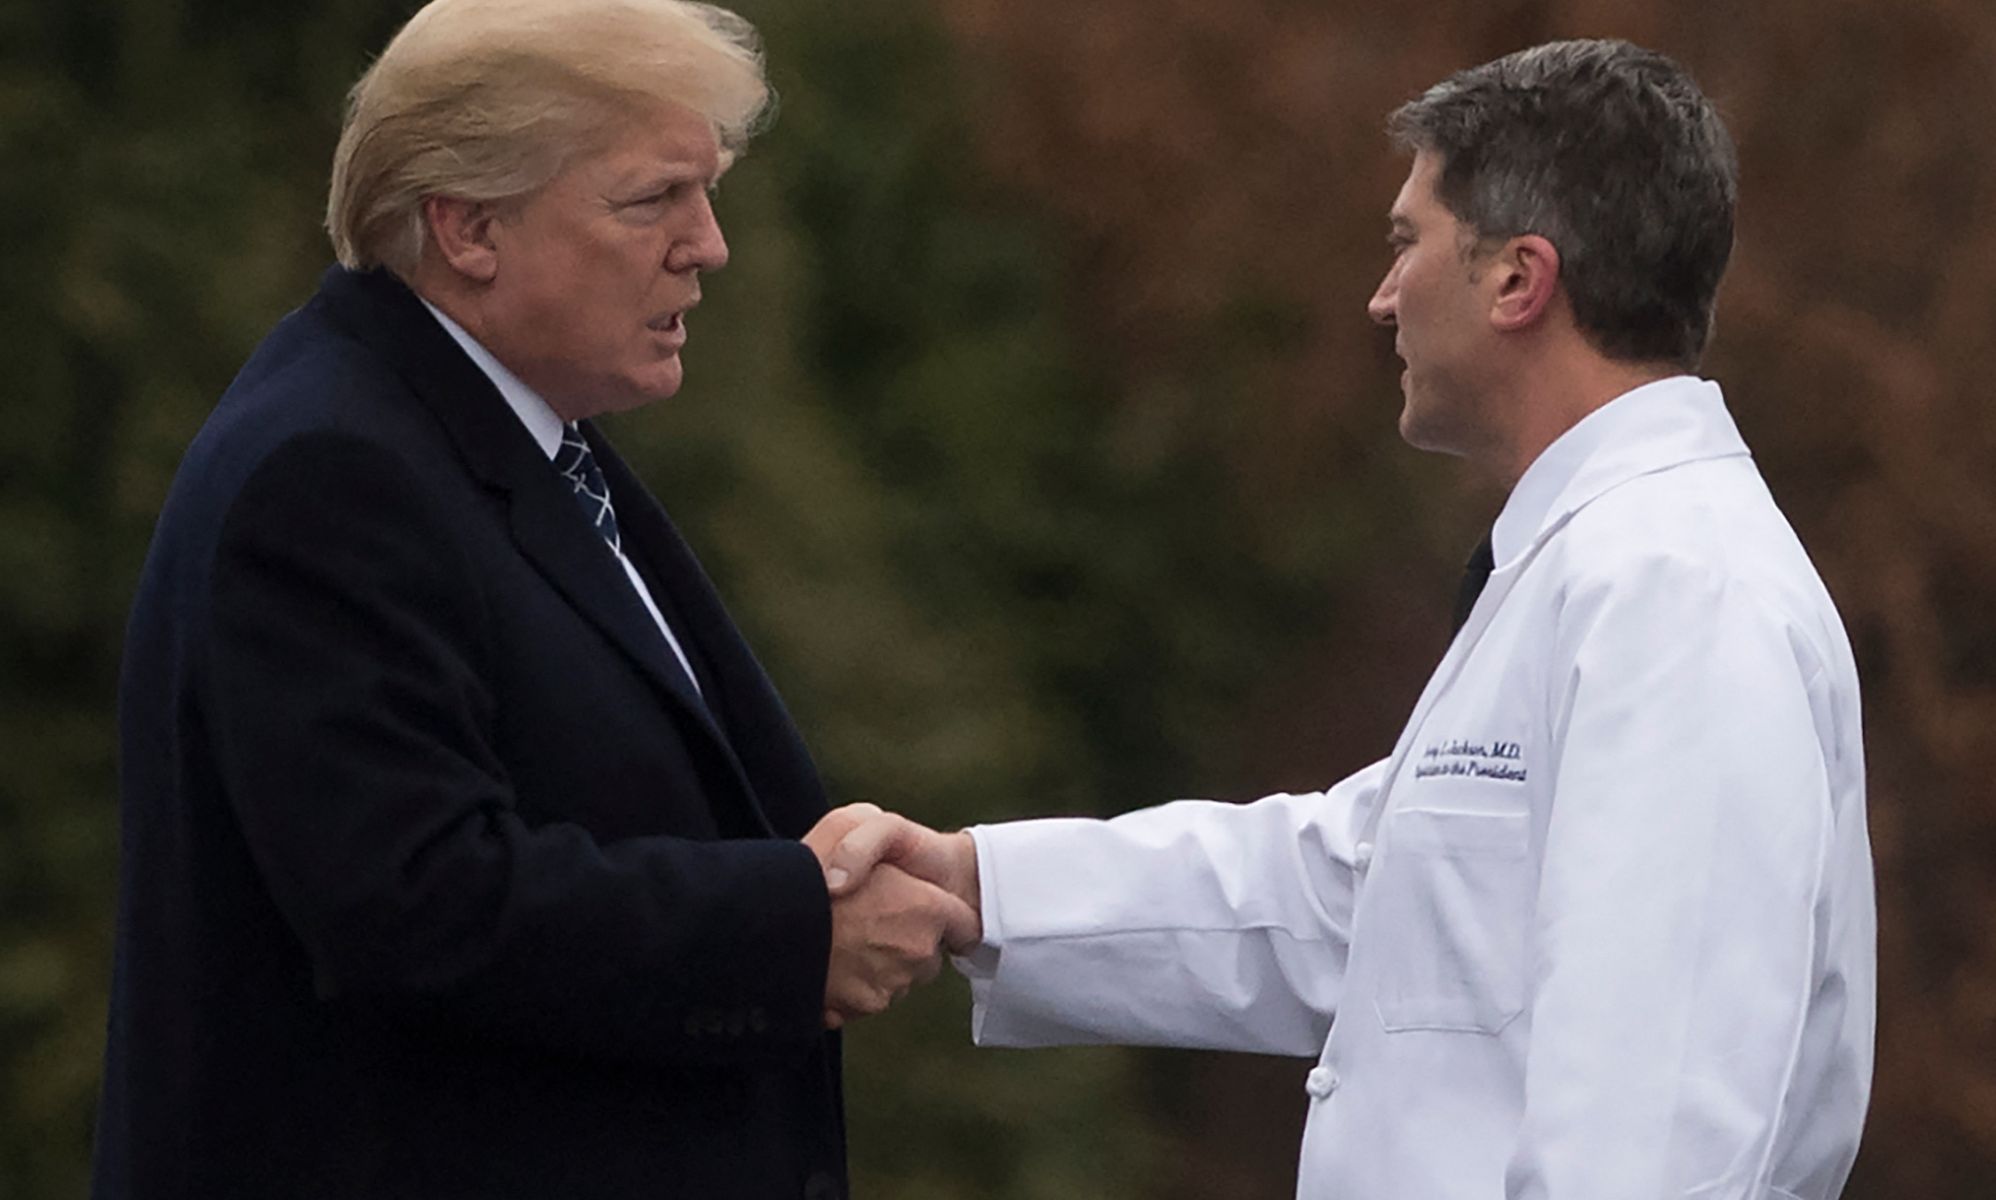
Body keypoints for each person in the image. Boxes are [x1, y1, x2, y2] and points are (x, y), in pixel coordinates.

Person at [823, 38, 1876, 1200]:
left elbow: (1651, 1130)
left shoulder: (1679, 591)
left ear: (1518, 280)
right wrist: (981, 889)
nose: (1381, 297)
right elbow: (1360, 895)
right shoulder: (1603, 569)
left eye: (1405, 242)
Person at [94, 2, 971, 1197]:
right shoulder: (331, 474)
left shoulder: (504, 434)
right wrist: (789, 929)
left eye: (706, 193)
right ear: (467, 228)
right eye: (651, 198)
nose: (708, 245)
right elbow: (415, 905)